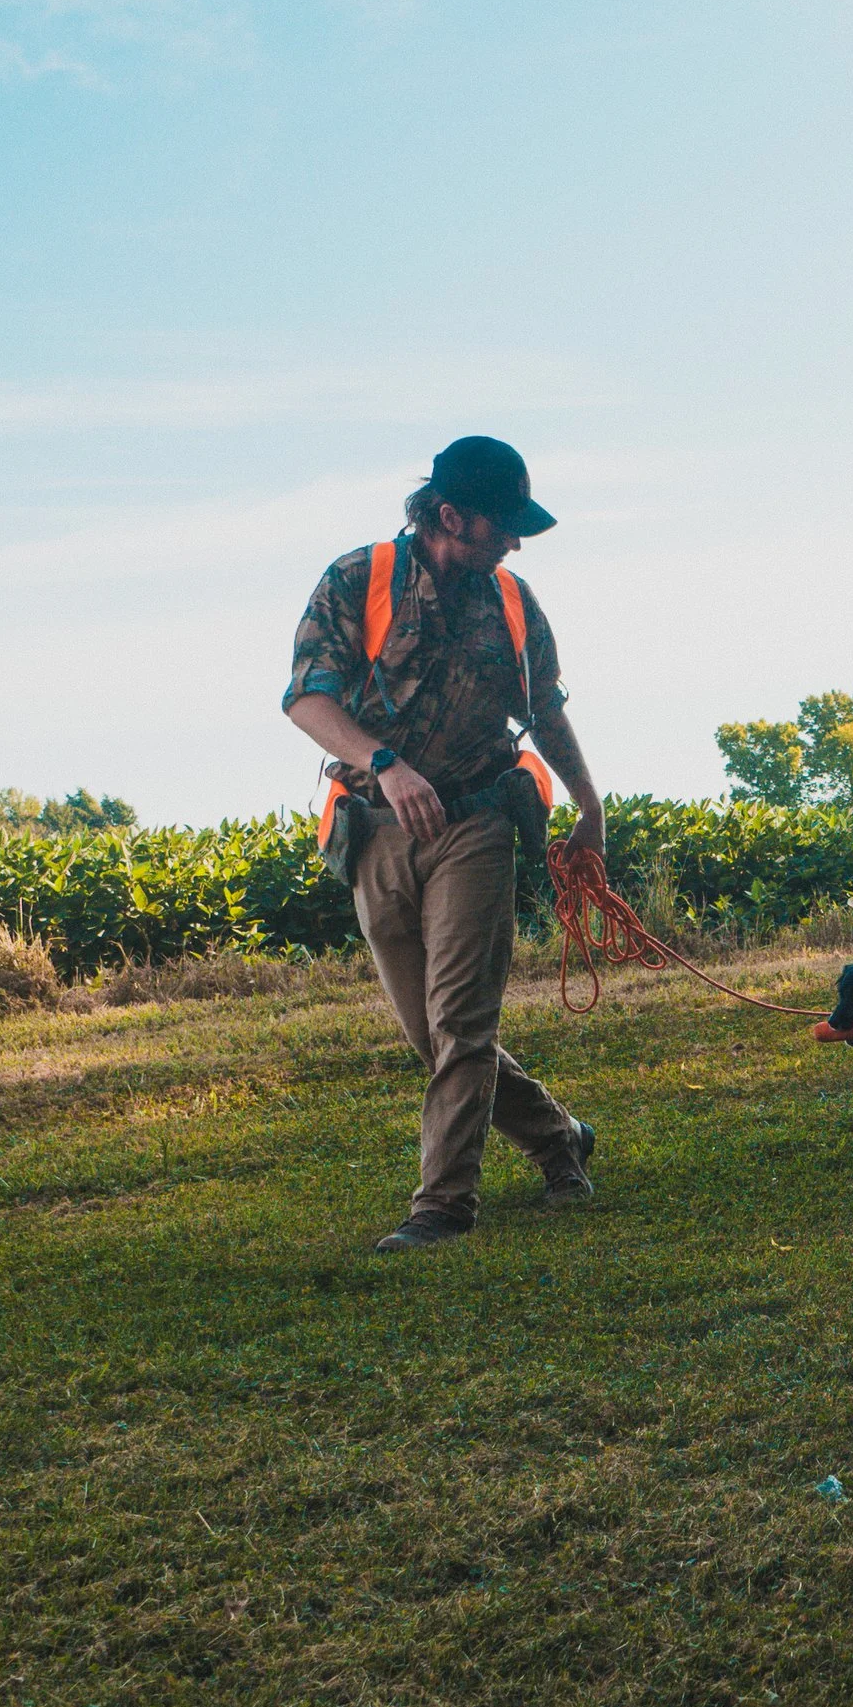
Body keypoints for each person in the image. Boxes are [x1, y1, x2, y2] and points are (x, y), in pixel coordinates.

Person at [284, 436, 607, 1253]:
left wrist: (588, 801)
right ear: (450, 515)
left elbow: (547, 709)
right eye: (503, 525)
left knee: (461, 1023)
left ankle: (444, 1207)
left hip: (476, 821)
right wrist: (383, 764)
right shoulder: (357, 580)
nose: (514, 542)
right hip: (377, 831)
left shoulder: (513, 599)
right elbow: (306, 702)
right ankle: (557, 1133)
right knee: (430, 1035)